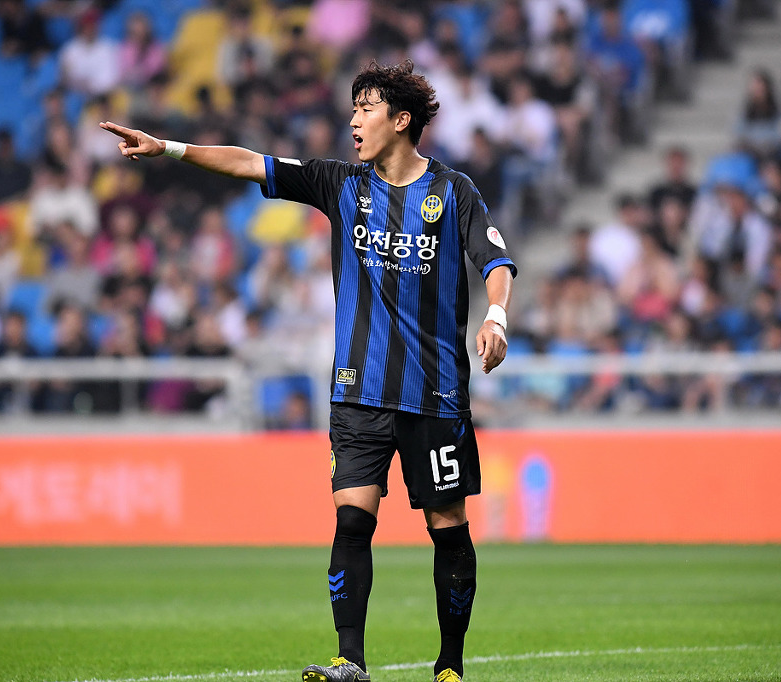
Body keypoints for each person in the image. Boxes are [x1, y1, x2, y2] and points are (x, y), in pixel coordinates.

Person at [101, 59, 516, 682]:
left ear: (402, 120)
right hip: (357, 390)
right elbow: (251, 163)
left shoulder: (453, 192)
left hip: (434, 394)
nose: (353, 122)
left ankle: (449, 666)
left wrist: (497, 318)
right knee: (352, 519)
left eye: (366, 110)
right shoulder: (339, 184)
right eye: (353, 109)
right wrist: (170, 148)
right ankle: (350, 660)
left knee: (448, 527)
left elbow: (495, 260)